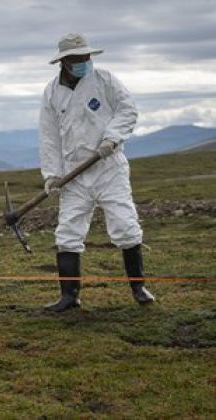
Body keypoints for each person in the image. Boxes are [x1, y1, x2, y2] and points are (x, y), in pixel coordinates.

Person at [38, 33, 155, 312]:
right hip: (73, 175)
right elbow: (49, 136)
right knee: (67, 233)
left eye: (87, 57)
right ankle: (69, 296)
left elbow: (128, 110)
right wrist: (52, 174)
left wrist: (112, 138)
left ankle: (138, 288)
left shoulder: (106, 81)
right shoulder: (52, 92)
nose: (85, 62)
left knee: (125, 226)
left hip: (108, 167)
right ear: (65, 62)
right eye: (78, 59)